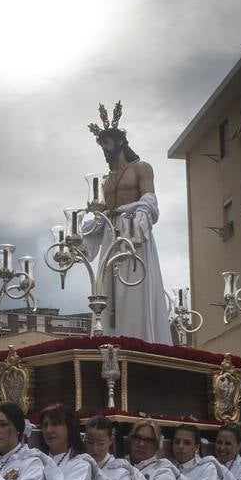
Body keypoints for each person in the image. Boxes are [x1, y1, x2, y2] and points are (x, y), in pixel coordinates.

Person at [86, 104, 171, 342]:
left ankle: (138, 341)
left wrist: (143, 212)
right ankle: (109, 340)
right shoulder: (106, 181)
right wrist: (84, 229)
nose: (104, 151)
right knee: (105, 293)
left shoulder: (141, 168)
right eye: (101, 147)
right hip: (110, 236)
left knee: (133, 291)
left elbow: (149, 198)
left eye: (107, 145)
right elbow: (100, 212)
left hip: (133, 233)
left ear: (120, 142)